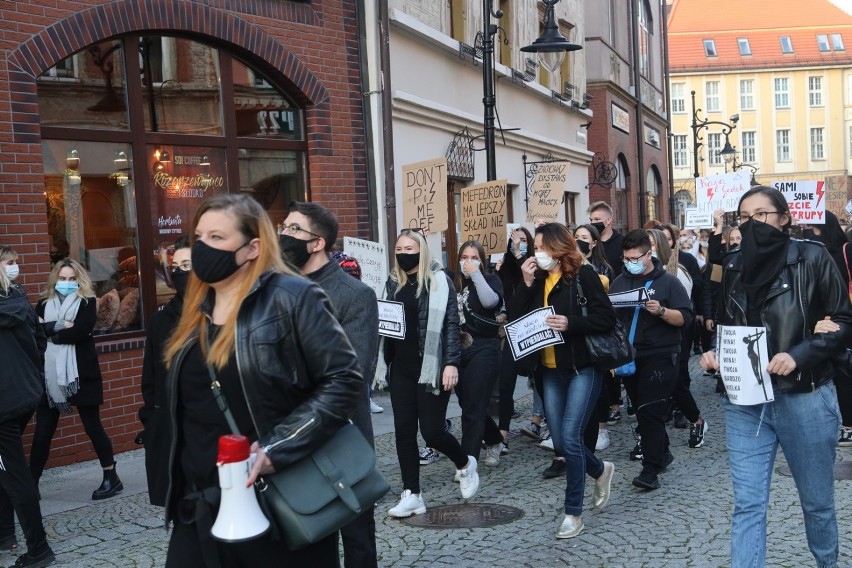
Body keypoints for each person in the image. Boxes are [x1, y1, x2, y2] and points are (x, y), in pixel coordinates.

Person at [157, 194, 361, 566]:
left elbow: (344, 380)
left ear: (253, 247)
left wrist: (275, 449)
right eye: (200, 237)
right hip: (201, 504)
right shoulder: (196, 307)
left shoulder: (293, 297)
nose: (203, 247)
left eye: (217, 238)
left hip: (275, 500)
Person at [701, 186, 852, 568]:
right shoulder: (732, 264)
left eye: (762, 215)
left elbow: (844, 321)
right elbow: (726, 324)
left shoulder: (813, 257)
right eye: (745, 217)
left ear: (784, 219)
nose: (753, 224)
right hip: (744, 402)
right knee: (748, 504)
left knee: (816, 503)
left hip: (804, 397)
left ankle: (827, 563)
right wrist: (717, 354)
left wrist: (798, 354)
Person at [279, 201, 380, 568]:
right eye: (283, 227)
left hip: (342, 439)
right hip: (288, 437)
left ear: (317, 242)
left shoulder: (354, 295)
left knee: (357, 543)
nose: (283, 235)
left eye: (293, 230)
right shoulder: (276, 289)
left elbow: (353, 378)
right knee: (304, 542)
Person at [513, 222, 616, 539]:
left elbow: (606, 318)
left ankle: (573, 513)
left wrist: (570, 322)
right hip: (549, 370)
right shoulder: (538, 278)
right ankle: (600, 470)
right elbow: (517, 318)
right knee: (560, 441)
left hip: (582, 367)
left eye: (543, 247)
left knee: (571, 437)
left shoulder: (582, 275)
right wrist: (527, 282)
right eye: (535, 248)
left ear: (559, 248)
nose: (538, 253)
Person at [374, 228, 477, 518]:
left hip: (432, 368)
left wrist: (452, 363)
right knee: (404, 432)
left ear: (421, 250)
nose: (404, 253)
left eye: (410, 248)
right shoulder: (392, 282)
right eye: (399, 248)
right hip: (401, 369)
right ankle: (412, 494)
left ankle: (465, 464)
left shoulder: (439, 282)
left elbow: (451, 326)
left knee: (432, 432)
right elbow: (387, 324)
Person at [31, 259, 122, 501]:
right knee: (43, 431)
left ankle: (111, 477)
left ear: (79, 280)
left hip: (81, 374)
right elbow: (35, 332)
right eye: (62, 279)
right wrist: (59, 328)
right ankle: (31, 483)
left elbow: (80, 331)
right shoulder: (42, 304)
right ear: (55, 280)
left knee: (92, 427)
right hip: (51, 377)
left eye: (72, 279)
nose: (67, 283)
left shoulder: (87, 302)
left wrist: (51, 333)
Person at [609, 230, 694, 490]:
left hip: (661, 354)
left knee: (649, 409)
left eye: (636, 257)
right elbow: (610, 321)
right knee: (643, 408)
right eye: (626, 258)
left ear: (649, 255)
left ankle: (650, 469)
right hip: (630, 357)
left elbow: (685, 319)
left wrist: (662, 311)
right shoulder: (619, 282)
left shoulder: (669, 282)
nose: (631, 262)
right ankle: (663, 452)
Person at [0, 249, 56, 568]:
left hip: (5, 404)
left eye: (13, 260)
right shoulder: (20, 300)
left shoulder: (19, 299)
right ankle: (5, 531)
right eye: (8, 261)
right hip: (23, 397)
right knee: (6, 468)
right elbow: (40, 342)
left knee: (14, 474)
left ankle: (39, 549)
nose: (14, 266)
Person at [139, 236, 191, 507]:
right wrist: (152, 422)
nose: (182, 272)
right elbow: (151, 380)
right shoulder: (161, 321)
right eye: (177, 266)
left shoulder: (225, 317)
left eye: (189, 265)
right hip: (171, 432)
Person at [647, 230, 708, 448]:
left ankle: (695, 419)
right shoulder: (639, 273)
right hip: (647, 338)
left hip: (674, 336)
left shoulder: (676, 273)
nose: (648, 249)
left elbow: (684, 308)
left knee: (675, 382)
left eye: (652, 245)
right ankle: (648, 438)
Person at [453, 240, 505, 467]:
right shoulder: (453, 282)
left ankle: (467, 462)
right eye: (465, 257)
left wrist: (476, 275)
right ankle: (494, 439)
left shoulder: (491, 280)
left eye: (474, 258)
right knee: (468, 403)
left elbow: (490, 301)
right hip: (458, 349)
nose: (469, 262)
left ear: (482, 261)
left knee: (473, 406)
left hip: (484, 347)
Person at [803, 211, 852, 447]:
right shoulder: (808, 254)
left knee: (843, 372)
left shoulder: (845, 251)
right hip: (819, 320)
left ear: (821, 228)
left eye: (810, 228)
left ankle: (849, 425)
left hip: (843, 319)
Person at [573, 224, 616, 452]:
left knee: (599, 386)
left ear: (593, 243)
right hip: (577, 334)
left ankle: (602, 428)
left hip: (596, 333)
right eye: (576, 236)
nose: (579, 240)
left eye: (584, 237)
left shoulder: (601, 268)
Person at [497, 228, 535, 448]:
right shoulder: (505, 269)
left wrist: (521, 256)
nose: (516, 245)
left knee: (540, 381)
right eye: (513, 241)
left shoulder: (534, 267)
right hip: (513, 330)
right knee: (506, 381)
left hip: (532, 327)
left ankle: (541, 422)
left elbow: (532, 288)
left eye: (521, 241)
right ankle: (502, 433)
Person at [587, 201, 623, 272]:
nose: (593, 222)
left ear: (609, 220)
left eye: (597, 219)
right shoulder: (589, 242)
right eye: (591, 220)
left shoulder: (622, 242)